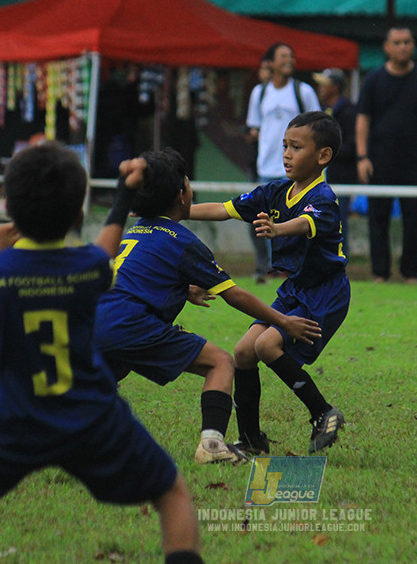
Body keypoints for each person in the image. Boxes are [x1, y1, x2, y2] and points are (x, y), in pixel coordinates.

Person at [0, 144, 203, 564]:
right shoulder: (89, 267)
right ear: (77, 216)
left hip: (8, 415)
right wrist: (124, 193)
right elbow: (107, 246)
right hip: (88, 414)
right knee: (172, 494)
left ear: (12, 213)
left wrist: (2, 266)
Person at [91, 147, 321, 465]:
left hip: (94, 318)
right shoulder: (181, 240)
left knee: (107, 374)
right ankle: (212, 445)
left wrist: (183, 290)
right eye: (188, 181)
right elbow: (235, 295)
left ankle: (70, 438)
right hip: (130, 323)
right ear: (182, 193)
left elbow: (136, 278)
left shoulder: (137, 231)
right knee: (220, 362)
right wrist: (283, 321)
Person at [190, 111, 349, 455]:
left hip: (326, 292)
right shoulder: (275, 192)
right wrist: (176, 211)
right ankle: (250, 439)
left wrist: (278, 229)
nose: (287, 154)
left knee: (266, 347)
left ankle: (323, 412)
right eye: (285, 146)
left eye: (297, 147)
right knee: (244, 351)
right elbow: (222, 208)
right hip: (295, 289)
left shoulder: (323, 198)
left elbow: (307, 223)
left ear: (323, 156)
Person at [356, 26, 417, 283]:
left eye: (407, 41)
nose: (403, 46)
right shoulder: (373, 79)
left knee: (414, 218)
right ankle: (380, 272)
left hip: (415, 160)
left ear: (413, 45)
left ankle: (410, 271)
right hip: (380, 159)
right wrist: (362, 157)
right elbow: (363, 120)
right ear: (387, 47)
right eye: (397, 42)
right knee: (378, 218)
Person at [245, 43, 321, 283]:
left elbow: (319, 126)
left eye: (291, 56)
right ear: (270, 63)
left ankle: (294, 269)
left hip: (296, 170)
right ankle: (265, 268)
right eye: (283, 56)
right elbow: (254, 127)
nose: (289, 60)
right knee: (258, 220)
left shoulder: (304, 91)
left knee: (294, 223)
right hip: (266, 168)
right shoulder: (260, 92)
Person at [314, 67, 358, 227]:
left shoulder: (348, 111)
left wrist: (327, 151)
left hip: (340, 177)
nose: (321, 88)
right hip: (322, 178)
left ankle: (340, 253)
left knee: (337, 223)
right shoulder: (324, 110)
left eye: (325, 84)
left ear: (335, 87)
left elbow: (351, 146)